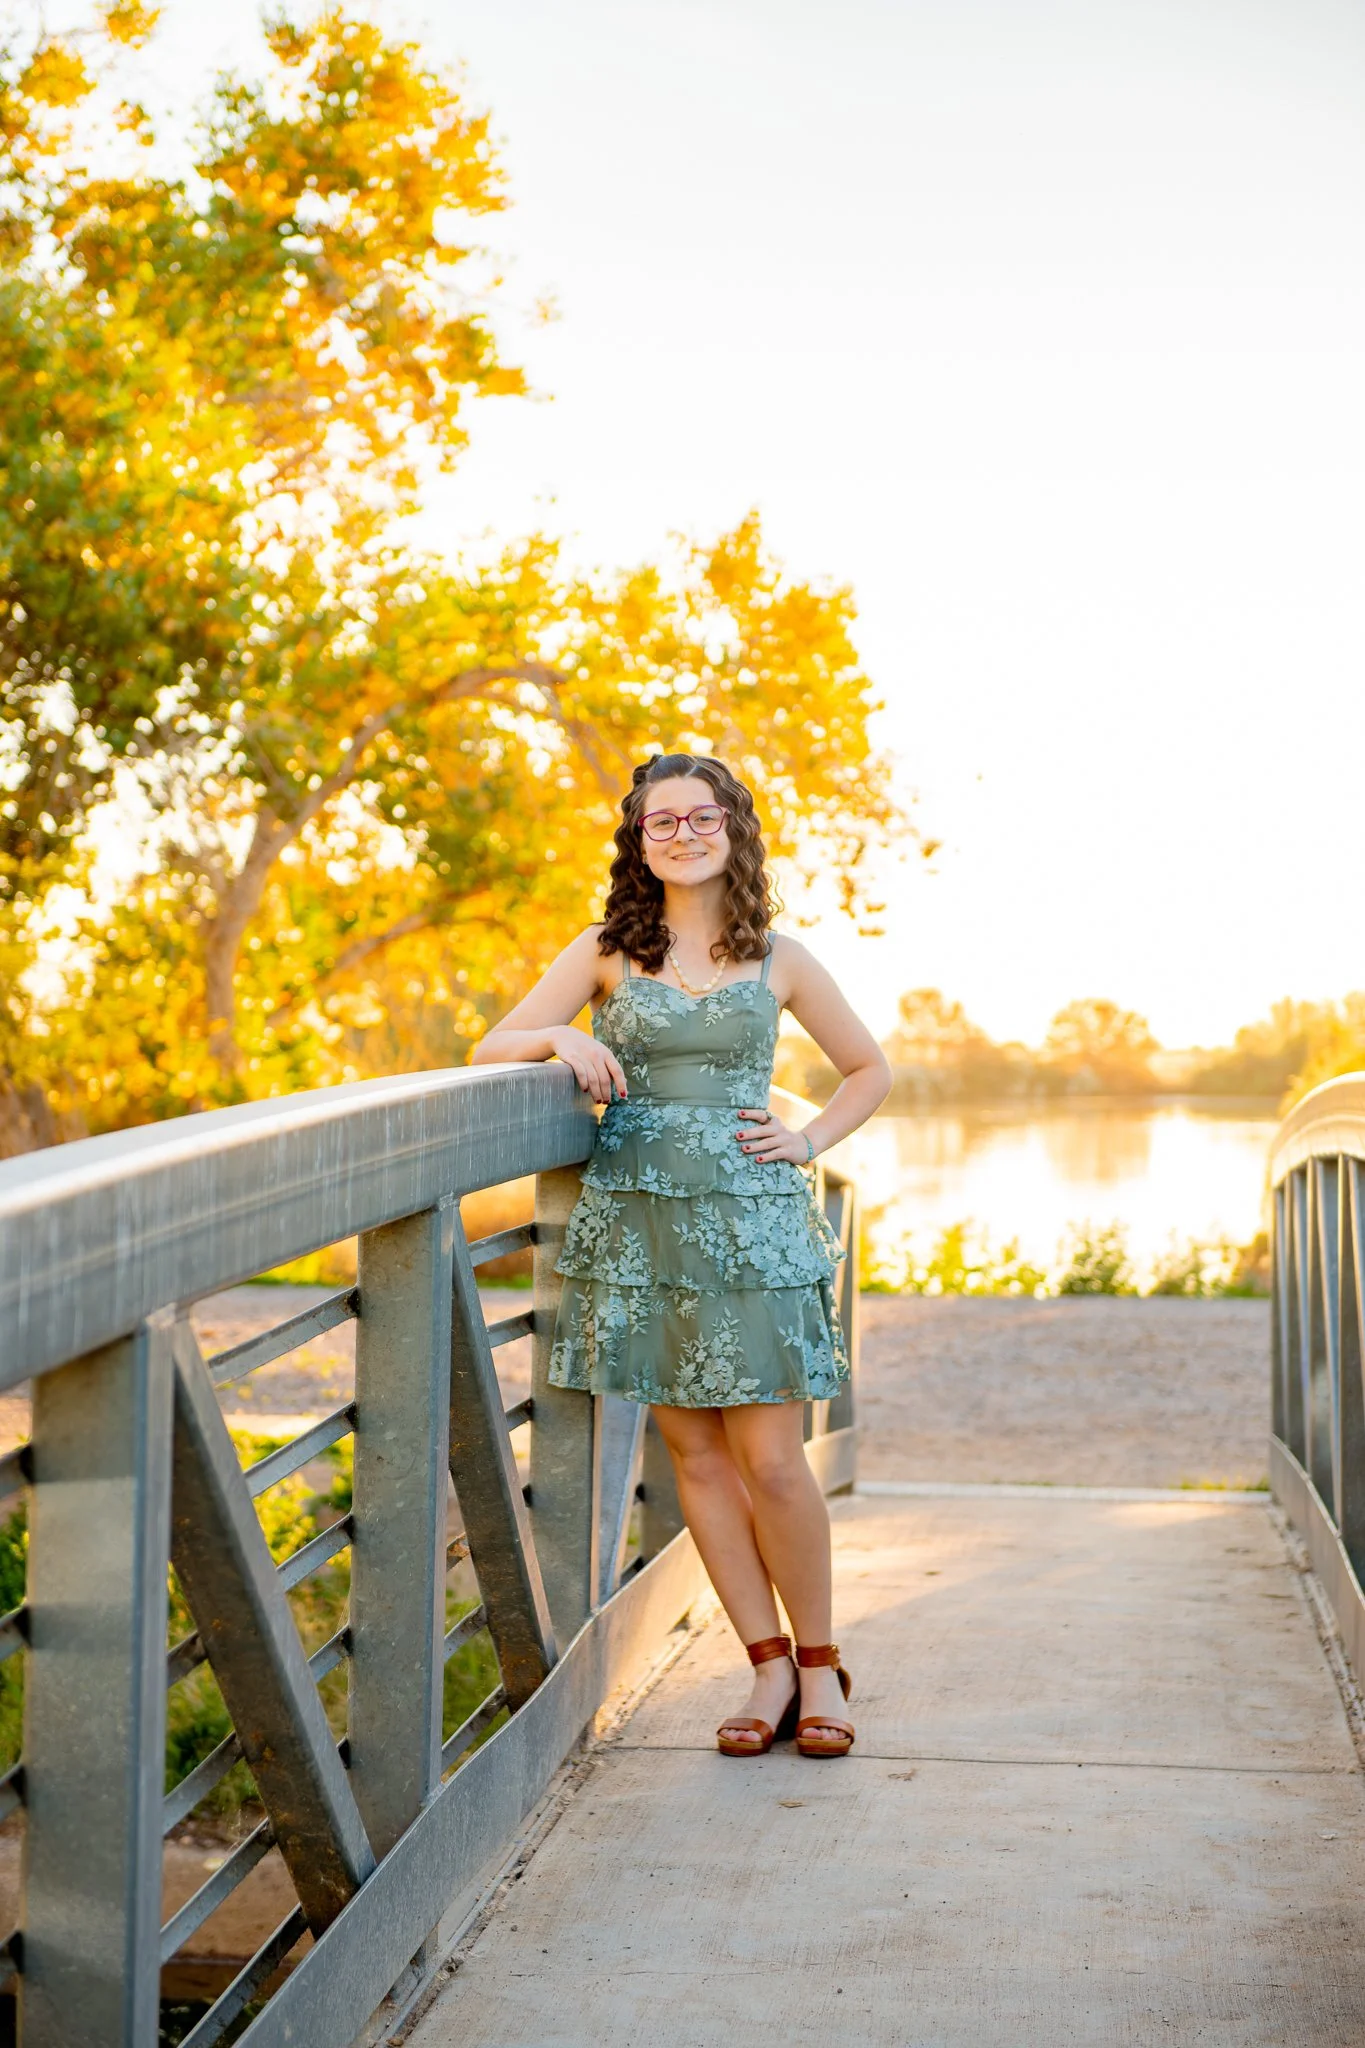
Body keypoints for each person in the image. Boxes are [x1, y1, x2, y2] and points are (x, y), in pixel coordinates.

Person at [471, 752, 891, 1756]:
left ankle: (824, 1662)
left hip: (751, 1226)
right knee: (695, 1455)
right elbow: (494, 1043)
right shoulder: (607, 949)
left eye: (704, 817)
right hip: (639, 1225)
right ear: (639, 839)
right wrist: (558, 1042)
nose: (685, 833)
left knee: (774, 1462)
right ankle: (767, 1664)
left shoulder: (779, 956)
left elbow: (869, 1068)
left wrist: (809, 1139)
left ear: (735, 830)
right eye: (664, 821)